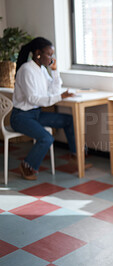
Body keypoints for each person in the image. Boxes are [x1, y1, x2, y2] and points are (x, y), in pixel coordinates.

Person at [10, 37, 76, 181]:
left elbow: (52, 91)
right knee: (46, 138)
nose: (51, 58)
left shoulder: (41, 70)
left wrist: (54, 71)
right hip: (21, 117)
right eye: (49, 54)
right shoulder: (26, 70)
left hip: (36, 114)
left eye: (52, 54)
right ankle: (27, 166)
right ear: (38, 53)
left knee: (68, 120)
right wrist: (60, 97)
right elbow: (32, 99)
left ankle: (75, 156)